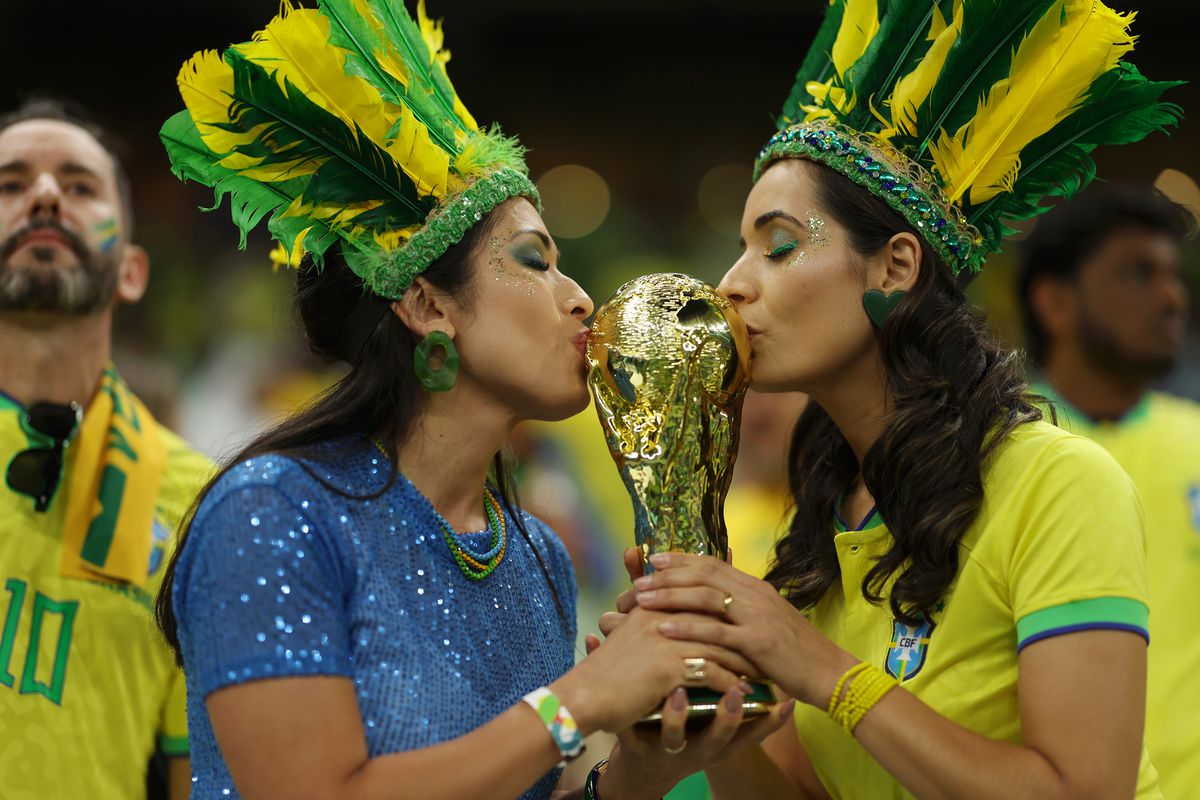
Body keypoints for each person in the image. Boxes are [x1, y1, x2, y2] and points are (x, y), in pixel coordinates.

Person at [154, 3, 790, 799]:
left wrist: (644, 761)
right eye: (535, 261)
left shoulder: (537, 557)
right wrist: (582, 698)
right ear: (427, 307)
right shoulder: (275, 513)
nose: (581, 300)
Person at [586, 1, 1180, 797]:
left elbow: (1085, 789)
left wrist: (821, 668)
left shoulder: (1059, 484)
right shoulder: (823, 522)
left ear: (894, 268)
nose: (732, 284)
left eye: (779, 245)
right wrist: (713, 702)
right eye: (739, 249)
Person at [0, 98, 209, 799]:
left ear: (132, 271)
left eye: (81, 186)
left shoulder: (200, 500)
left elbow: (198, 772)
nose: (47, 196)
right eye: (10, 185)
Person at [1018, 186, 1198, 798]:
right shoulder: (990, 450)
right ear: (1056, 302)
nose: (1173, 297)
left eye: (1173, 275)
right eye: (1136, 274)